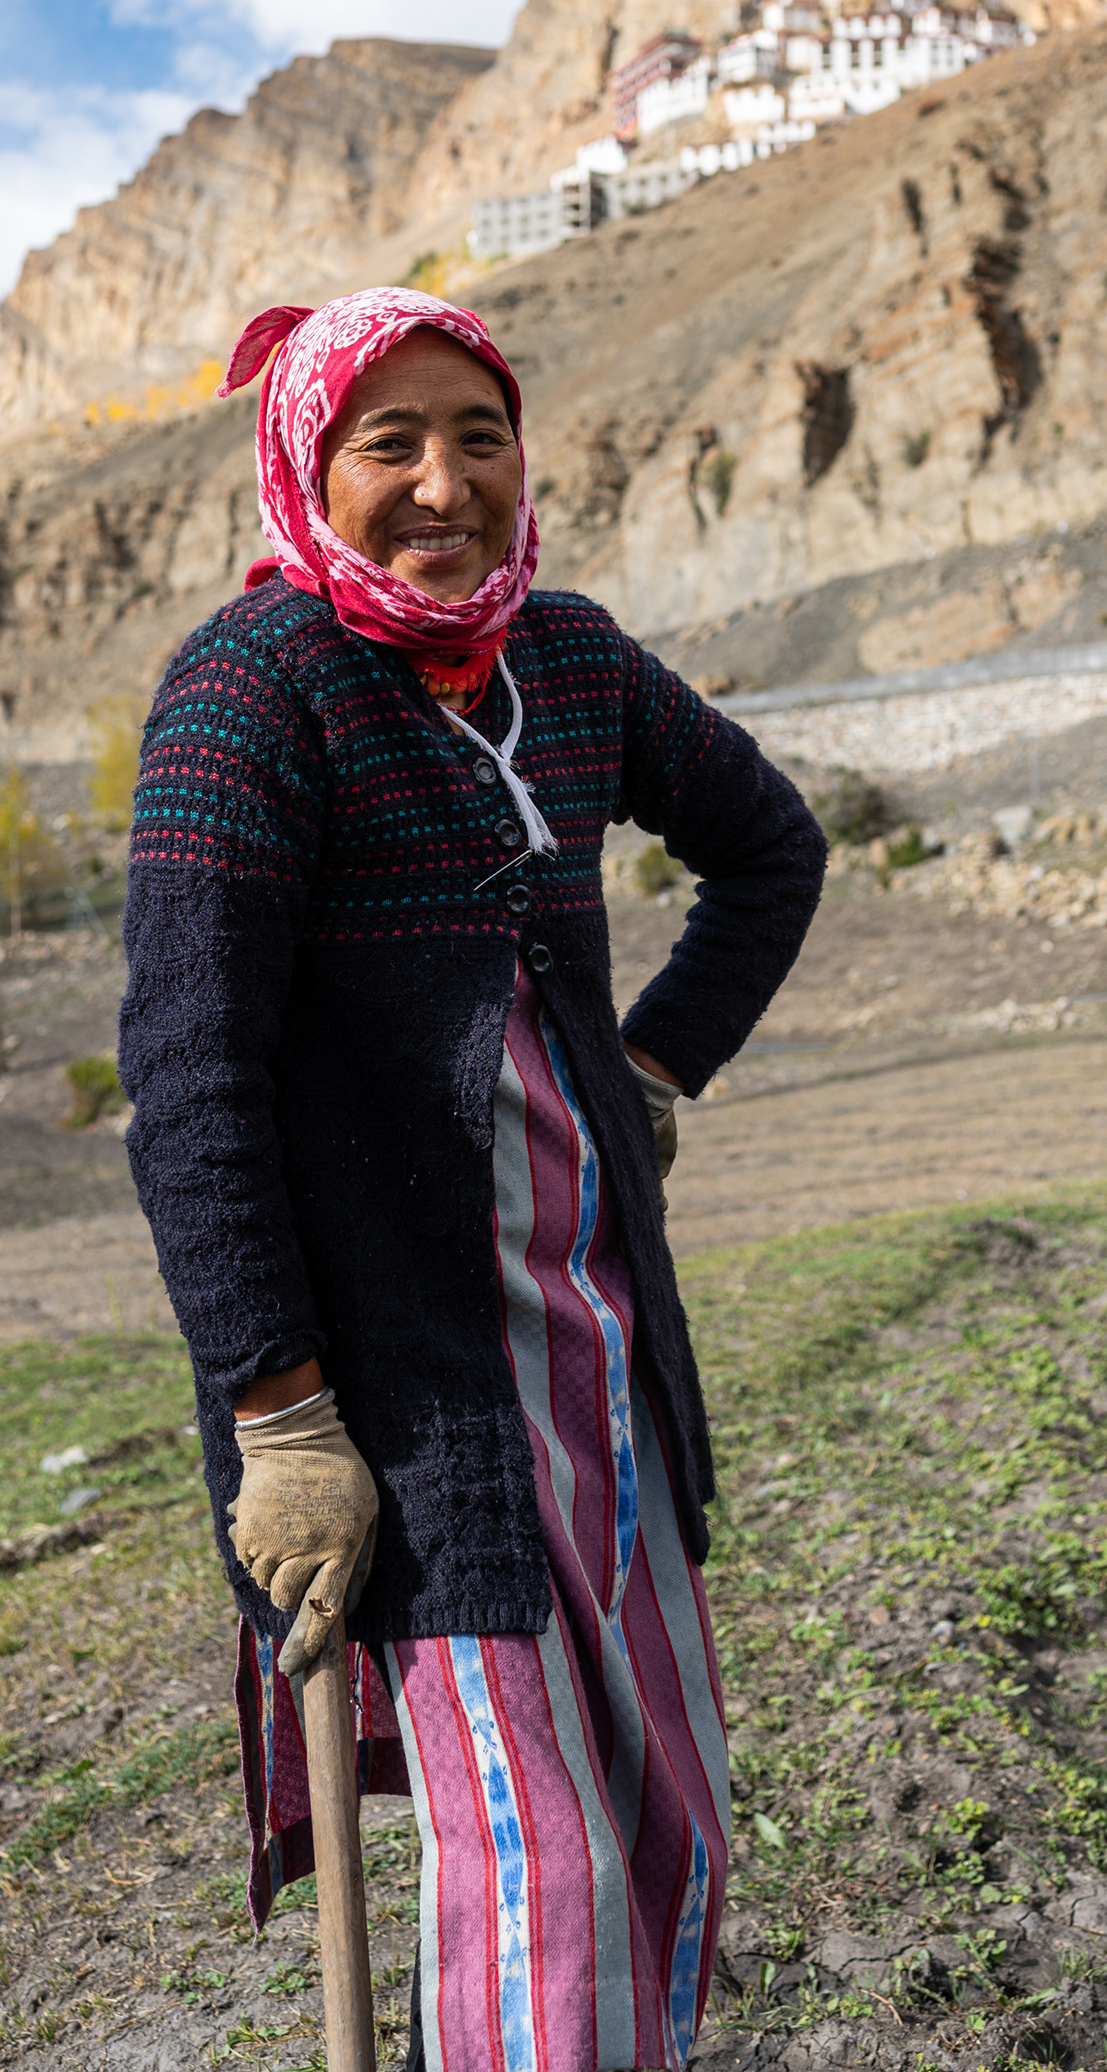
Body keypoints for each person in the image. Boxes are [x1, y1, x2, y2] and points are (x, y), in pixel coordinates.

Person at [119, 285, 826, 2072]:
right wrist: (281, 1415)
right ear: (307, 465)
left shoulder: (568, 661)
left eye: (481, 436)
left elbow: (769, 845)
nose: (447, 483)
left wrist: (652, 1061)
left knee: (675, 1823)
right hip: (412, 1413)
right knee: (545, 1871)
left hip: (605, 1371)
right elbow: (189, 1081)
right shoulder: (250, 691)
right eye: (392, 441)